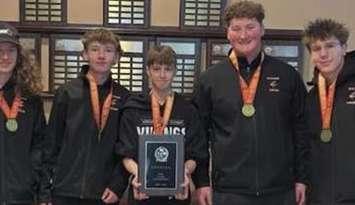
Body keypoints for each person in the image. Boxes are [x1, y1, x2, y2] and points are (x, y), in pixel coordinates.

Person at [192, 1, 310, 205]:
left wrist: (302, 178)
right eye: (236, 28)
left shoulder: (287, 75)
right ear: (227, 33)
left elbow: (301, 130)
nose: (243, 35)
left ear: (262, 29)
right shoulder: (209, 79)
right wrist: (202, 181)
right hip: (228, 191)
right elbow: (199, 136)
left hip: (280, 190)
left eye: (250, 27)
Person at [46, 28, 130, 205]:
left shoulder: (124, 97)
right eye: (95, 49)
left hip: (105, 193)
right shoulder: (67, 92)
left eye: (108, 50)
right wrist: (45, 190)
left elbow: (127, 148)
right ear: (84, 54)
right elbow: (51, 144)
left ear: (116, 58)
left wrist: (117, 186)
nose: (101, 55)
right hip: (64, 189)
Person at [116, 45, 208, 205]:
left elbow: (196, 154)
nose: (163, 75)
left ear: (175, 71)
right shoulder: (133, 107)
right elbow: (125, 153)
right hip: (141, 193)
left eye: (168, 69)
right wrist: (139, 173)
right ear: (148, 71)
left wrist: (183, 172)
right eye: (157, 69)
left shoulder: (188, 110)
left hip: (177, 192)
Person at [303, 18, 355, 205]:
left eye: (330, 46)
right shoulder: (310, 99)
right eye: (316, 49)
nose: (323, 54)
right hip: (318, 198)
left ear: (344, 47)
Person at [0, 22, 50, 204]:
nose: (5, 57)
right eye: (0, 50)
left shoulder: (30, 99)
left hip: (21, 195)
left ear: (19, 55)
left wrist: (39, 188)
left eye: (11, 51)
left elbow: (41, 147)